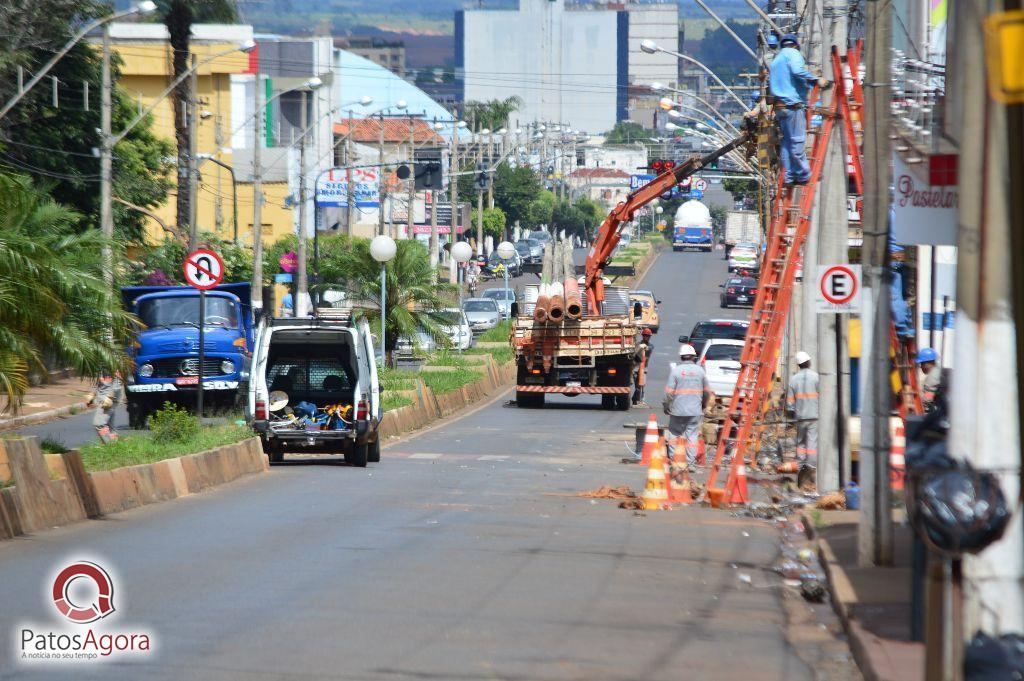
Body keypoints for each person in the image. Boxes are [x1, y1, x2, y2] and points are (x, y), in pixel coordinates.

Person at [768, 33, 831, 186]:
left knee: (787, 143)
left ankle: (789, 177)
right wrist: (816, 79)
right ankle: (804, 174)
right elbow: (797, 71)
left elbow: (791, 80)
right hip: (792, 105)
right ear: (795, 45)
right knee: (796, 141)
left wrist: (809, 82)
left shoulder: (776, 61)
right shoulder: (793, 53)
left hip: (780, 106)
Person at [664, 343, 713, 467]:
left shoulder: (676, 371)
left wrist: (666, 406)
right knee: (692, 436)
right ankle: (690, 464)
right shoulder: (700, 371)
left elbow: (669, 393)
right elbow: (707, 392)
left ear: (681, 357)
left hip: (677, 410)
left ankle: (674, 462)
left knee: (674, 434)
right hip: (694, 411)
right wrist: (703, 405)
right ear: (693, 357)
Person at [786, 350, 820, 470]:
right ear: (809, 362)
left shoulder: (793, 379)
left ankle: (800, 466)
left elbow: (790, 402)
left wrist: (790, 417)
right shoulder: (816, 377)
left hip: (800, 416)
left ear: (799, 364)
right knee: (812, 442)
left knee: (800, 442)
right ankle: (811, 467)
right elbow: (821, 395)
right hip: (814, 416)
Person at [87, 369, 123, 443]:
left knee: (99, 424)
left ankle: (110, 445)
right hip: (103, 398)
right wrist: (92, 395)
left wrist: (111, 397)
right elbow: (99, 383)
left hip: (108, 399)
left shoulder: (112, 361)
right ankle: (116, 445)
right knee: (110, 427)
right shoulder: (101, 364)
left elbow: (118, 380)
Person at [632, 328, 654, 406]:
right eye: (645, 335)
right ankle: (635, 400)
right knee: (637, 386)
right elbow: (634, 353)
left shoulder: (650, 346)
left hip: (644, 368)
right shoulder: (638, 344)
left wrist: (643, 347)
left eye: (648, 336)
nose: (646, 337)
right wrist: (639, 347)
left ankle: (640, 400)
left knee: (642, 385)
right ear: (642, 336)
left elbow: (648, 351)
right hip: (636, 368)